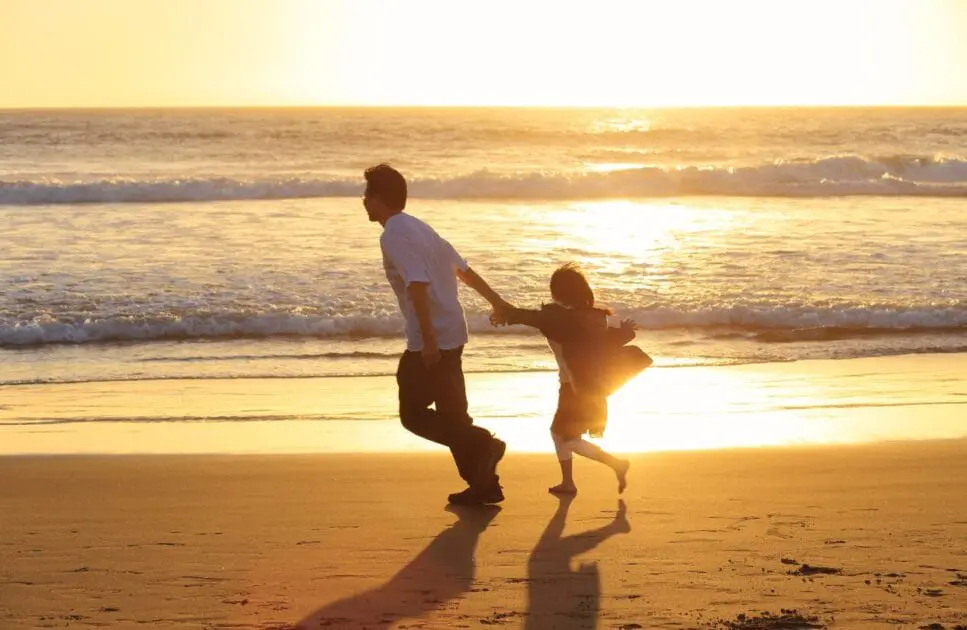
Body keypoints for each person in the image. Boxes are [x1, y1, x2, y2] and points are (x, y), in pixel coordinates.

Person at [363, 163, 509, 505]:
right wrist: (498, 303)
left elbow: (416, 284)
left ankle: (483, 444)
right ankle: (484, 486)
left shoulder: (394, 234)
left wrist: (428, 342)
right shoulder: (420, 228)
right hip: (453, 332)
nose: (364, 200)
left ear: (380, 198)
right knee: (453, 416)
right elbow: (464, 271)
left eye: (367, 194)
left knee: (412, 415)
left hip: (432, 339)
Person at [492, 263, 647, 495]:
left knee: (565, 437)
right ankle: (570, 481)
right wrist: (625, 331)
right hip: (588, 385)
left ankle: (615, 464)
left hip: (572, 386)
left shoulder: (557, 319)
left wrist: (504, 314)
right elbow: (621, 334)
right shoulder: (597, 318)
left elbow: (527, 317)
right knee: (561, 434)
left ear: (558, 293)